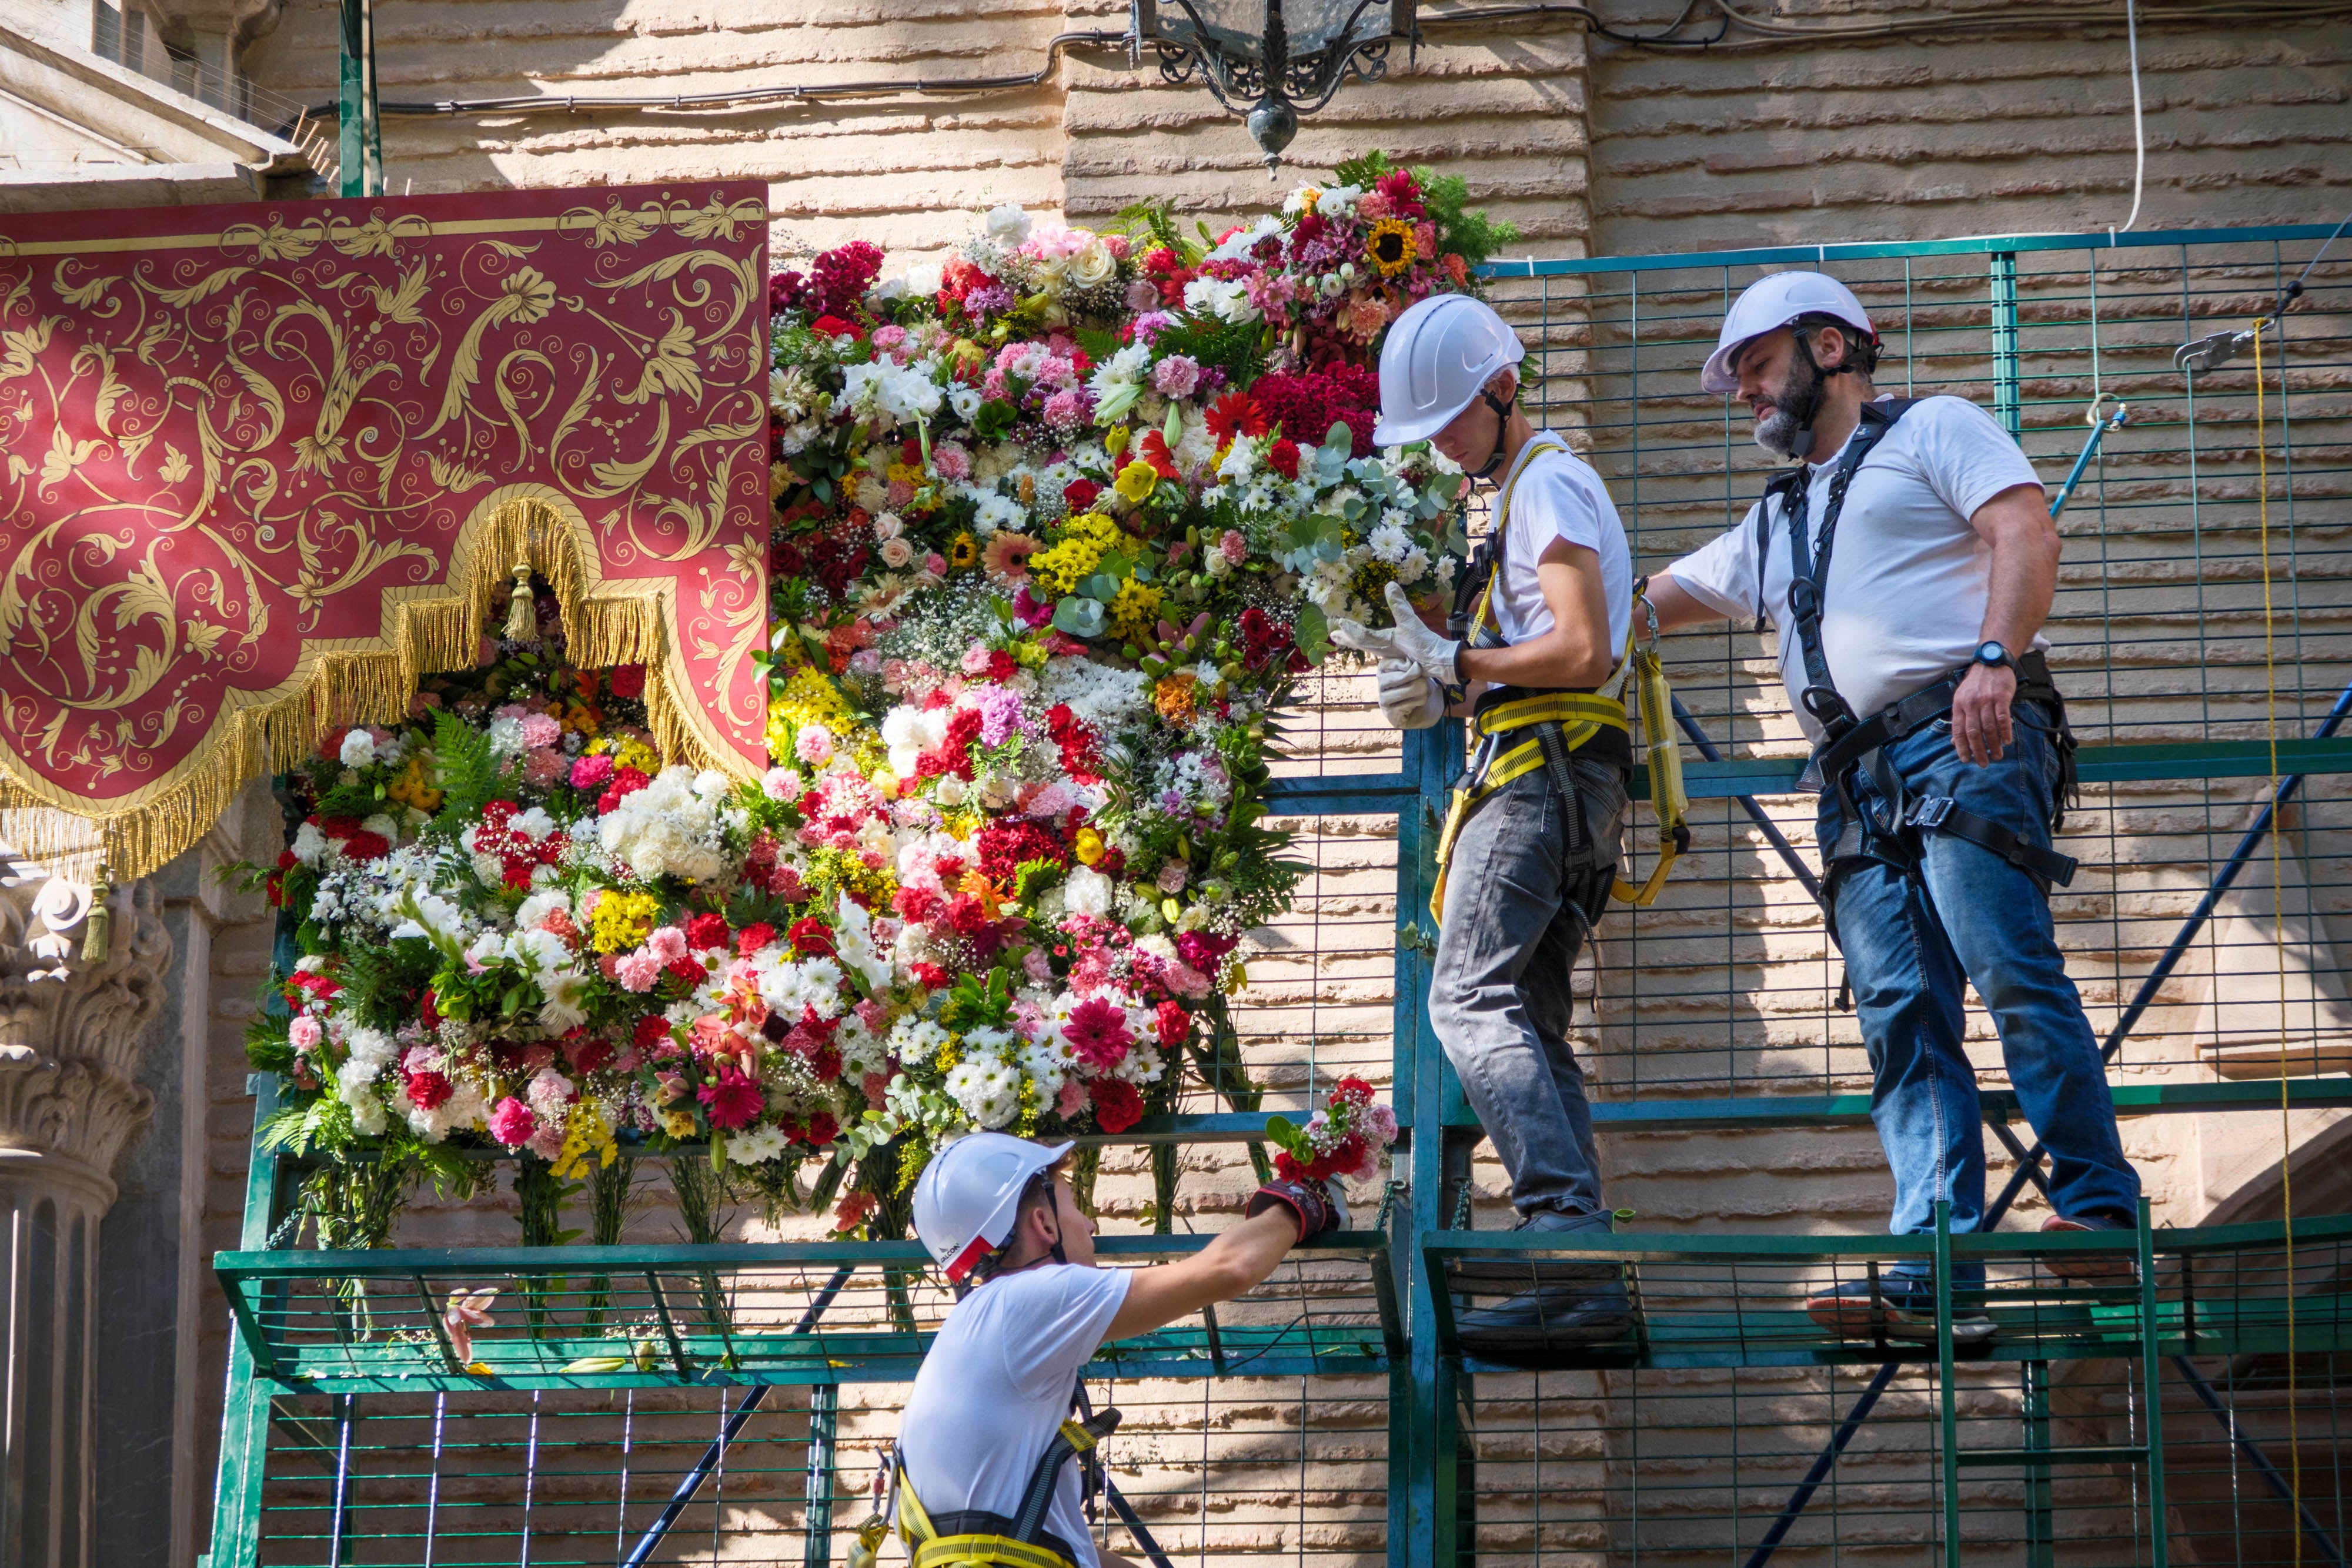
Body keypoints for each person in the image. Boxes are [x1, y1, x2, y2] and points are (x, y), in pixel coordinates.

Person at [1639, 270, 2143, 1340]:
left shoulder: (1937, 430)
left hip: (1965, 737)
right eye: (1739, 379)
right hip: (1857, 785)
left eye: (1758, 367)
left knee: (2007, 965)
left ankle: (2100, 1211)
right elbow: (1641, 611)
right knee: (1902, 1016)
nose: (1745, 395)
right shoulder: (1770, 521)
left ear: (1830, 347)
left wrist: (1996, 660)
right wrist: (1498, 640)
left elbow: (2026, 533)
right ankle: (1935, 1262)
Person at [1331, 292, 1639, 1350]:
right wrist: (1444, 681)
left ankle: (1564, 1230)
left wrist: (1456, 663)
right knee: (1529, 1023)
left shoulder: (1547, 480)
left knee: (1464, 998)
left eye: (1454, 419)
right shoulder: (1517, 491)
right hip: (1562, 773)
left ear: (1504, 389)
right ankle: (1582, 1272)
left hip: (1541, 782)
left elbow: (1582, 647)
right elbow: (1537, 663)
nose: (1445, 445)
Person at [888, 1133, 1344, 1568]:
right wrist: (1301, 1201)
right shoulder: (1027, 1299)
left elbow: (1042, 1548)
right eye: (1075, 1206)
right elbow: (1229, 1267)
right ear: (1043, 1224)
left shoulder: (964, 1337)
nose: (1090, 1224)